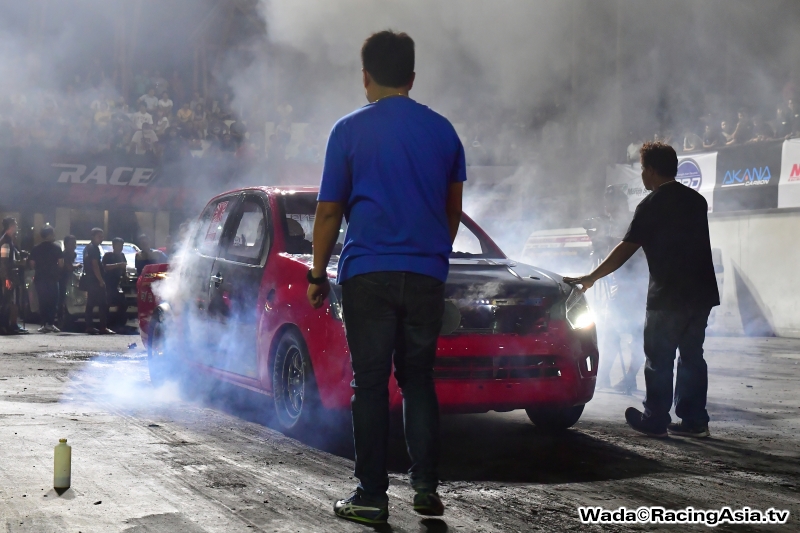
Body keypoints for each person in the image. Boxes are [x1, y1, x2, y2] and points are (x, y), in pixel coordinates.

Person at [307, 31, 465, 525]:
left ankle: (371, 496)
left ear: (366, 76)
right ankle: (425, 488)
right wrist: (429, 255)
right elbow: (452, 212)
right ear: (413, 78)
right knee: (419, 380)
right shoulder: (443, 132)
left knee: (370, 384)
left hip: (368, 273)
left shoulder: (347, 130)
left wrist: (316, 272)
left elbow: (330, 211)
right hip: (426, 274)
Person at [565, 142, 720, 439]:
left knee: (658, 358)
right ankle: (694, 420)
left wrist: (592, 277)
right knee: (692, 357)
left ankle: (655, 417)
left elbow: (627, 247)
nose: (642, 176)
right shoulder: (696, 201)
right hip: (700, 294)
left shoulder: (652, 204)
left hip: (667, 295)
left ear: (650, 170)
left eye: (642, 169)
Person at [29, 227, 64, 333]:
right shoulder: (57, 247)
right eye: (53, 234)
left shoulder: (36, 248)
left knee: (42, 301)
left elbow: (32, 264)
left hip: (40, 278)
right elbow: (61, 263)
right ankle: (51, 323)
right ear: (49, 235)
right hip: (53, 278)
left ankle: (44, 324)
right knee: (53, 301)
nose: (54, 235)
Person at [83, 228, 113, 335]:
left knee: (90, 304)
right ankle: (102, 327)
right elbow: (95, 265)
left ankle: (89, 326)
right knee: (102, 304)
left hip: (90, 280)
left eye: (102, 236)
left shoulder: (87, 248)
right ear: (93, 236)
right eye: (99, 236)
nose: (102, 239)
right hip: (95, 280)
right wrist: (100, 280)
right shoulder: (93, 249)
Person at [0, 217, 27, 335]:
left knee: (10, 301)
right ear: (10, 226)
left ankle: (9, 325)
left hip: (10, 275)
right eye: (15, 224)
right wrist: (6, 277)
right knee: (7, 302)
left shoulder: (9, 240)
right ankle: (5, 326)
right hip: (8, 276)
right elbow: (4, 260)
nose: (16, 227)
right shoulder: (6, 241)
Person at [101, 238, 128, 331]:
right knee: (107, 304)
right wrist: (118, 265)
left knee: (123, 303)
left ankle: (120, 323)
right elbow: (105, 267)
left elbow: (124, 268)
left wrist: (125, 275)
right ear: (113, 246)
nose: (120, 248)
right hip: (108, 283)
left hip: (118, 284)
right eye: (118, 245)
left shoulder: (122, 255)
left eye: (121, 245)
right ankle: (106, 324)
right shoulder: (108, 256)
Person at [58, 235, 79, 328]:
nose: (74, 246)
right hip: (62, 279)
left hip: (70, 280)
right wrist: (77, 265)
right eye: (72, 243)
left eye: (75, 243)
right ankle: (61, 321)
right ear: (66, 244)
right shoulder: (64, 254)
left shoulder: (73, 254)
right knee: (62, 300)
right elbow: (68, 267)